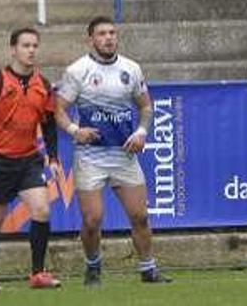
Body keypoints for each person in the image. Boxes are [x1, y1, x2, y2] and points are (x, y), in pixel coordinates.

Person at [55, 16, 171, 286]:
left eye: (112, 33)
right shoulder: (77, 70)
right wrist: (75, 130)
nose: (108, 38)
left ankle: (148, 270)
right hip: (90, 156)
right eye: (102, 34)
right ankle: (93, 267)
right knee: (93, 219)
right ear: (91, 39)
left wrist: (142, 132)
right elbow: (58, 110)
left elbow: (145, 107)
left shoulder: (131, 68)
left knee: (140, 216)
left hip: (123, 155)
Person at [0, 27, 62, 291]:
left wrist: (53, 158)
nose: (31, 50)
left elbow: (49, 125)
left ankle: (37, 274)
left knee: (42, 210)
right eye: (25, 45)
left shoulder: (43, 85)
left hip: (28, 160)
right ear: (13, 49)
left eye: (35, 45)